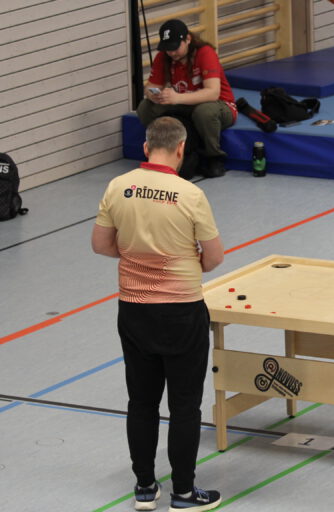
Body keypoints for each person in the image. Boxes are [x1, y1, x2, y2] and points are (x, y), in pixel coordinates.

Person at [91, 116, 224, 512]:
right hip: (182, 310)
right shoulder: (190, 194)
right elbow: (213, 257)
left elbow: (101, 245)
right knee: (184, 405)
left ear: (147, 147)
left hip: (134, 310)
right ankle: (183, 492)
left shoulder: (118, 186)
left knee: (142, 402)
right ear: (181, 149)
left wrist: (136, 256)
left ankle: (145, 487)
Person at [138, 19, 237, 179]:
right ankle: (160, 150)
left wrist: (177, 97)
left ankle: (214, 157)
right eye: (168, 49)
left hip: (219, 105)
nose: (172, 53)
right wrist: (155, 95)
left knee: (204, 112)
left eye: (175, 47)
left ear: (188, 39)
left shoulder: (205, 53)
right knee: (145, 107)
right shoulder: (164, 57)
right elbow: (150, 87)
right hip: (185, 104)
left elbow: (213, 93)